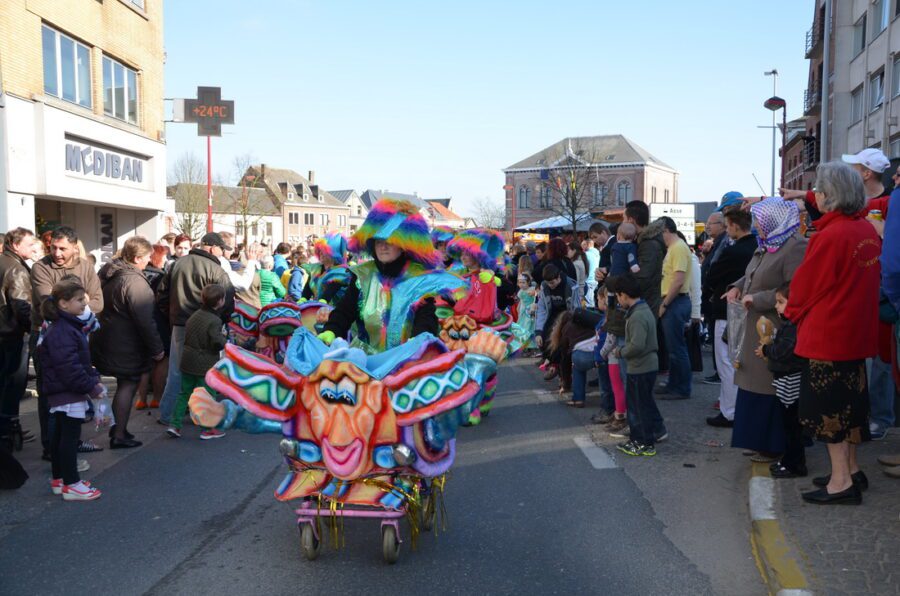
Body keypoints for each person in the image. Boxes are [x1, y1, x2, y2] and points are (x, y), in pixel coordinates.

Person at [784, 161, 880, 505]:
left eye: (820, 191)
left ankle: (841, 482)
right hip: (856, 333)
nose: (817, 196)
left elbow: (807, 287)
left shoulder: (832, 235)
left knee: (828, 413)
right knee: (852, 408)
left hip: (829, 336)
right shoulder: (865, 231)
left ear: (832, 196)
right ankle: (852, 470)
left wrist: (790, 312)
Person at [321, 198, 465, 353]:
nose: (383, 246)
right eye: (378, 241)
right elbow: (344, 311)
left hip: (404, 362)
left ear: (404, 244)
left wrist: (419, 342)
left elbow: (426, 319)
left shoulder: (419, 278)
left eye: (390, 240)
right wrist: (331, 330)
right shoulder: (362, 276)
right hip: (364, 360)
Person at [724, 198, 807, 462]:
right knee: (752, 385)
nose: (757, 225)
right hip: (756, 325)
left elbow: (794, 288)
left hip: (774, 327)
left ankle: (773, 444)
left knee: (769, 387)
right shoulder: (768, 244)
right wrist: (736, 286)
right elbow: (752, 275)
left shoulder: (794, 247)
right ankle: (757, 439)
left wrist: (757, 299)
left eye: (761, 221)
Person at [30, 226, 103, 459]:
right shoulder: (41, 267)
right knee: (51, 394)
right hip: (49, 337)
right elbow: (49, 303)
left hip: (78, 337)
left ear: (74, 246)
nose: (57, 253)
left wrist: (77, 304)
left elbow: (98, 302)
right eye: (53, 247)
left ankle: (71, 443)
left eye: (63, 248)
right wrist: (82, 303)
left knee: (75, 392)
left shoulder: (85, 266)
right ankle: (52, 448)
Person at [90, 237, 165, 449]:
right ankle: (119, 433)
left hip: (109, 338)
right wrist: (157, 348)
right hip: (125, 343)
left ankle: (119, 428)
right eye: (147, 257)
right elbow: (145, 321)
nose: (149, 261)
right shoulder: (134, 281)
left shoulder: (110, 273)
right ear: (136, 258)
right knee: (128, 384)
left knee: (126, 383)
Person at [155, 233, 234, 427]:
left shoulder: (177, 264)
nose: (222, 252)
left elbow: (162, 295)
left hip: (180, 325)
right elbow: (228, 299)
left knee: (177, 370)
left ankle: (168, 413)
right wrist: (220, 320)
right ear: (212, 248)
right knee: (206, 372)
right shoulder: (216, 270)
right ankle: (204, 415)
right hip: (207, 326)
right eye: (220, 248)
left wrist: (172, 316)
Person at [38, 278, 106, 500]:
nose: (84, 306)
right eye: (79, 301)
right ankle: (71, 483)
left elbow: (75, 364)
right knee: (69, 437)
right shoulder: (64, 330)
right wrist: (91, 386)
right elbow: (70, 367)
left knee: (60, 434)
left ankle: (60, 479)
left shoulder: (65, 327)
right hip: (66, 390)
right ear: (63, 303)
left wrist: (91, 380)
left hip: (63, 389)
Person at [703, 207, 756, 428]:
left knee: (726, 361)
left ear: (733, 225)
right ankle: (736, 409)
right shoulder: (757, 247)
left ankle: (729, 411)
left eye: (727, 225)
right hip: (748, 310)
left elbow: (713, 275)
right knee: (741, 363)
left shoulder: (733, 251)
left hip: (726, 310)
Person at [610, 273, 664, 457]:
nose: (618, 300)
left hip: (641, 367)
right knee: (641, 405)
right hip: (643, 366)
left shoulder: (638, 316)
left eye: (618, 296)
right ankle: (639, 440)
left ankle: (643, 443)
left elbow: (637, 345)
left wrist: (620, 351)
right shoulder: (641, 310)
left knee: (637, 409)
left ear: (624, 295)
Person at [757, 283, 806, 478]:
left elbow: (785, 351)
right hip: (786, 381)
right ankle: (790, 461)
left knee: (792, 428)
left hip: (790, 382)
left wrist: (767, 349)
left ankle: (794, 464)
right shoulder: (788, 325)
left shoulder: (793, 326)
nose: (777, 306)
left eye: (781, 302)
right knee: (790, 426)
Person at [166, 284, 227, 440]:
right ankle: (208, 428)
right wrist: (224, 339)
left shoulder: (195, 315)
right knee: (208, 395)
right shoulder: (214, 320)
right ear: (220, 301)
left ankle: (175, 424)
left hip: (187, 360)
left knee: (184, 393)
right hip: (204, 363)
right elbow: (216, 342)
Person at [0, 228, 37, 431]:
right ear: (15, 245)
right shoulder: (15, 268)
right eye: (30, 244)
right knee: (13, 384)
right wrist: (35, 328)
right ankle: (9, 428)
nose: (34, 248)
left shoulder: (8, 263)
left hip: (6, 332)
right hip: (12, 335)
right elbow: (22, 306)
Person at [656, 216, 693, 400]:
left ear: (665, 230)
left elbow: (678, 280)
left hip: (675, 302)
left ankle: (682, 388)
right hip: (675, 301)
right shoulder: (675, 248)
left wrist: (665, 304)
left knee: (677, 348)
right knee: (674, 348)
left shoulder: (678, 248)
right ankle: (674, 385)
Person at [135, 244, 171, 410]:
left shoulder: (138, 275)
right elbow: (165, 301)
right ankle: (157, 398)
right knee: (161, 361)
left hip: (140, 322)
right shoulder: (162, 276)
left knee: (144, 361)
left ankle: (141, 399)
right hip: (160, 322)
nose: (166, 260)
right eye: (164, 256)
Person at [534, 264, 583, 377]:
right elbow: (542, 309)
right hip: (552, 314)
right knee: (545, 338)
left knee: (561, 341)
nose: (551, 286)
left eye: (552, 283)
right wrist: (538, 332)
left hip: (568, 315)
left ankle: (558, 369)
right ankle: (553, 364)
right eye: (548, 283)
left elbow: (576, 307)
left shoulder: (570, 286)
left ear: (559, 278)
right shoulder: (544, 287)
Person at [301, 233, 352, 305]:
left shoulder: (341, 272)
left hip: (333, 311)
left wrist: (322, 302)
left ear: (334, 254)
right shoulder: (315, 268)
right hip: (316, 310)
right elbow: (307, 289)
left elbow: (330, 291)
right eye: (320, 250)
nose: (321, 253)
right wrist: (303, 299)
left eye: (324, 251)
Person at [583, 238, 600, 308]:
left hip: (588, 280)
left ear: (588, 244)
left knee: (589, 304)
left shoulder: (586, 254)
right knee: (593, 301)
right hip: (596, 279)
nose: (582, 247)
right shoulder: (597, 253)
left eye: (584, 244)